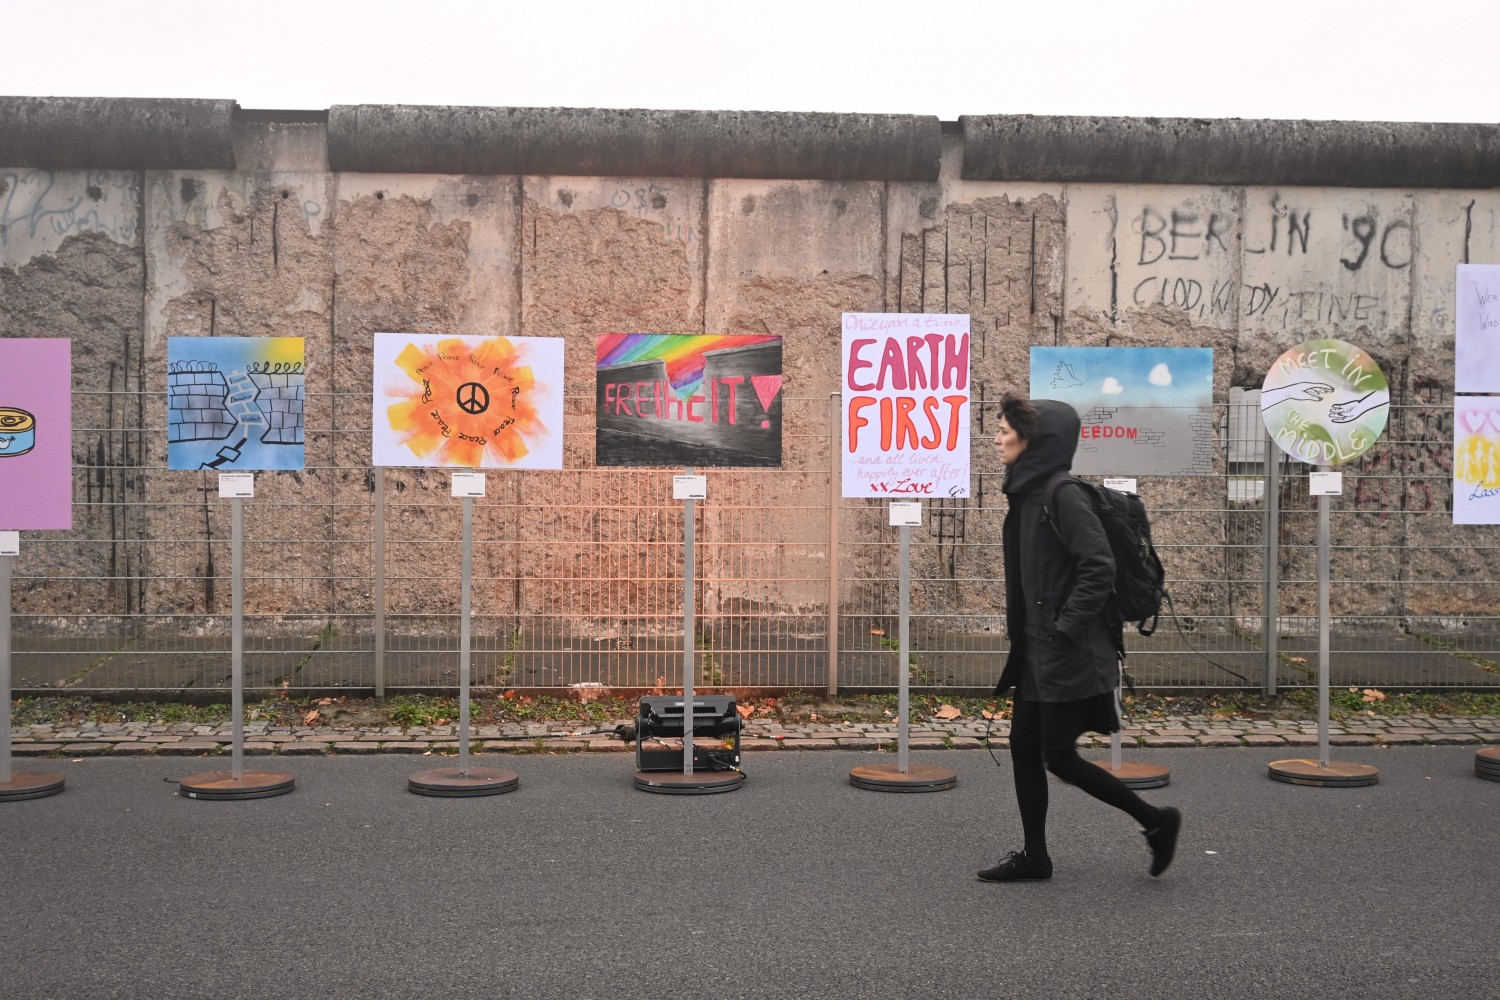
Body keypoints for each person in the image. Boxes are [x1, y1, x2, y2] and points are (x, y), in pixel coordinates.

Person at [980, 393, 1181, 882]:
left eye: (1005, 429)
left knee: (1059, 756)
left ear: (1035, 440)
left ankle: (1157, 821)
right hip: (1036, 649)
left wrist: (1065, 627)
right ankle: (1035, 856)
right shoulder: (1027, 493)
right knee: (1023, 747)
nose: (997, 436)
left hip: (1066, 649)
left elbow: (1099, 566)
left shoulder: (1061, 494)